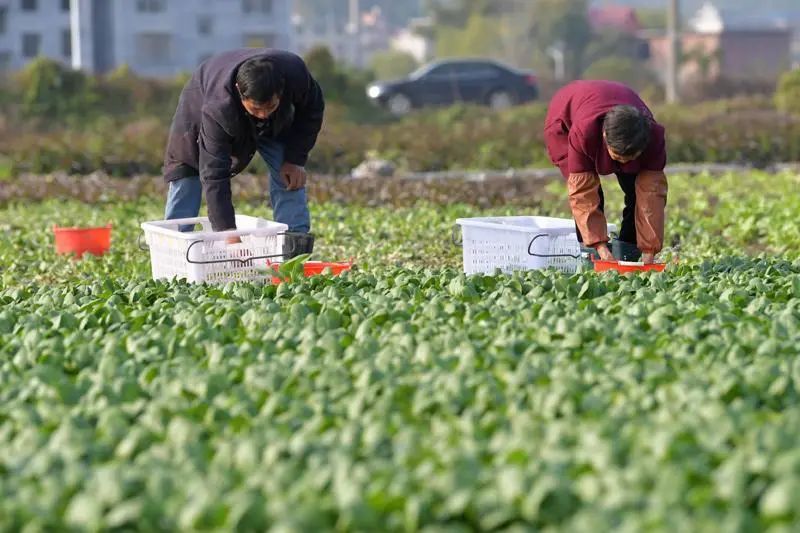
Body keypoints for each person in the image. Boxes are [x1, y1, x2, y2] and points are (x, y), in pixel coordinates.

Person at [162, 49, 324, 257]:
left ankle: (294, 248)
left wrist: (295, 159)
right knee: (187, 171)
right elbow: (213, 174)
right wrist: (227, 231)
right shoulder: (218, 109)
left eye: (270, 106)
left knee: (289, 174)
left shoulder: (296, 74)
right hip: (202, 97)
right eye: (256, 109)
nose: (263, 114)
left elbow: (312, 112)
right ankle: (173, 253)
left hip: (278, 123)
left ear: (281, 91)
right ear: (240, 91)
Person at [543, 80, 668, 264]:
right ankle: (590, 254)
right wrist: (599, 246)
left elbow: (652, 194)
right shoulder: (584, 134)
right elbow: (582, 194)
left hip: (620, 114)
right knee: (593, 194)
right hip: (565, 122)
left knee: (635, 190)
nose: (624, 163)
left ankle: (628, 251)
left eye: (631, 158)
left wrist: (649, 250)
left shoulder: (653, 137)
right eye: (618, 157)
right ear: (604, 137)